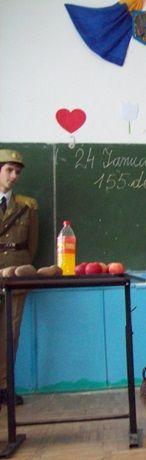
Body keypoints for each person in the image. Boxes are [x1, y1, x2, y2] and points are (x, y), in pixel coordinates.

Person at [0, 149, 38, 408]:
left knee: (10, 332)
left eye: (17, 172)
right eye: (9, 170)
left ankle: (4, 386)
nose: (14, 176)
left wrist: (20, 267)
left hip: (16, 273)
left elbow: (32, 244)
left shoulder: (27, 205)